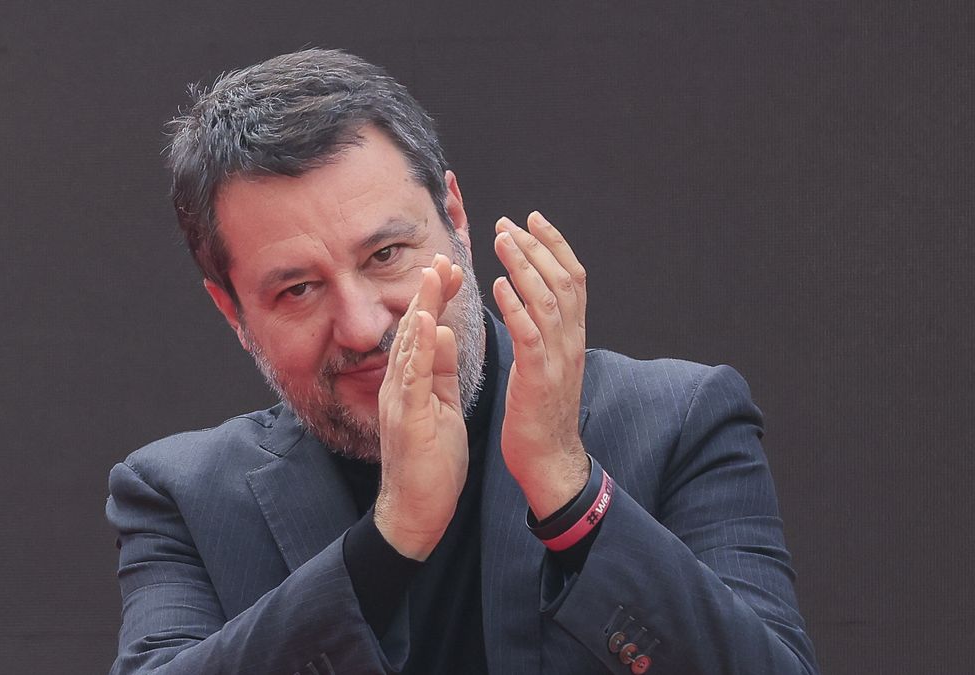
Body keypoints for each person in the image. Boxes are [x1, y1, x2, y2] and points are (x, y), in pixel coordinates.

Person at [106, 48, 818, 674]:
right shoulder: (180, 495)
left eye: (386, 255)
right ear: (234, 313)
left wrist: (567, 488)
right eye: (298, 289)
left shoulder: (680, 419)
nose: (361, 326)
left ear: (456, 217)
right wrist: (389, 540)